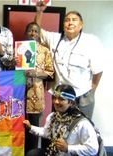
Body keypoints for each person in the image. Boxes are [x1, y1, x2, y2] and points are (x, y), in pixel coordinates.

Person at [34, 2, 104, 119]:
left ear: (81, 25)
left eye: (74, 20)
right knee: (59, 129)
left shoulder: (91, 41)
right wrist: (39, 12)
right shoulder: (55, 39)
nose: (70, 22)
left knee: (80, 129)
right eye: (67, 20)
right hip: (60, 95)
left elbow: (98, 70)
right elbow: (36, 31)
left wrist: (92, 90)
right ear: (63, 25)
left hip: (82, 96)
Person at [23, 84, 99, 156]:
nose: (56, 102)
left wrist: (68, 148)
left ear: (71, 102)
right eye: (55, 98)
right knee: (32, 154)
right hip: (55, 152)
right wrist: (31, 127)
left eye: (61, 99)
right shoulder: (52, 116)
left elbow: (93, 149)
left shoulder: (82, 123)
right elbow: (47, 132)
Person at [24, 22, 54, 153]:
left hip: (36, 94)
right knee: (18, 125)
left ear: (39, 34)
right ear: (26, 32)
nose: (33, 33)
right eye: (30, 30)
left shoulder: (44, 50)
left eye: (36, 31)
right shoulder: (18, 48)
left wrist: (36, 73)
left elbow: (50, 72)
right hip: (18, 92)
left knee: (34, 127)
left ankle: (32, 152)